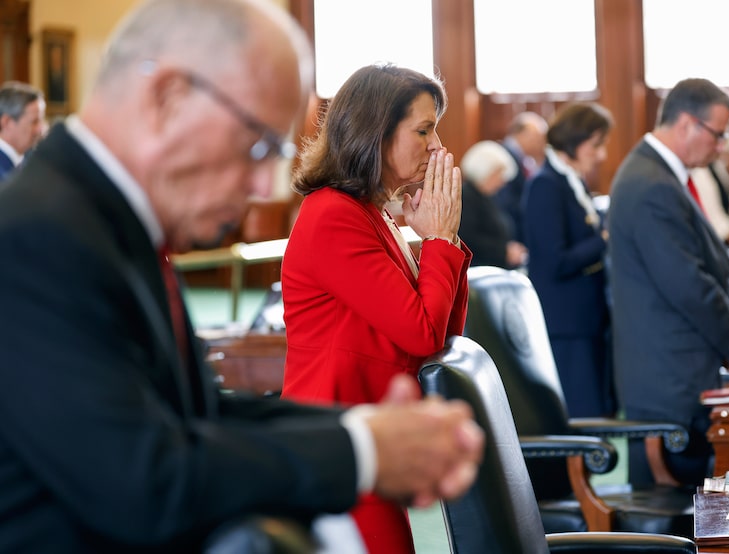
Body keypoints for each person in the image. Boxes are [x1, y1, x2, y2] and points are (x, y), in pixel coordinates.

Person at [0, 1, 484, 552]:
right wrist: (363, 453)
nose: (263, 187)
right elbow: (142, 480)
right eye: (258, 144)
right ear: (169, 98)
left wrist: (365, 437)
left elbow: (195, 412)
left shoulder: (101, 219)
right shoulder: (38, 234)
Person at [280, 63, 472, 553]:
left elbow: (443, 336)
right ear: (375, 135)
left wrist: (440, 240)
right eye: (424, 130)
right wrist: (438, 241)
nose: (436, 146)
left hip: (372, 437)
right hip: (337, 444)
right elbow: (421, 331)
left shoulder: (376, 214)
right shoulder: (332, 215)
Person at [608, 78, 729, 487]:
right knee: (675, 531)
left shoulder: (659, 174)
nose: (722, 145)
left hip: (678, 372)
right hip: (668, 386)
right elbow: (689, 284)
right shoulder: (651, 183)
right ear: (688, 123)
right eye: (719, 133)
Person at [523, 102, 616, 418]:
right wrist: (603, 240)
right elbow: (555, 261)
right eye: (596, 144)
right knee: (580, 415)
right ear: (575, 140)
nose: (601, 155)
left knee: (594, 411)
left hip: (586, 318)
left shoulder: (570, 180)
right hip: (567, 322)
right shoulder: (545, 185)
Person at [458, 139, 527, 268]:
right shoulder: (466, 196)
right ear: (485, 171)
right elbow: (468, 240)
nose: (502, 181)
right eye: (499, 175)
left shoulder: (488, 196)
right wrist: (504, 252)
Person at [494, 111, 549, 243]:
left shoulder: (521, 158)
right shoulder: (504, 156)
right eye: (537, 137)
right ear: (523, 134)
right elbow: (504, 201)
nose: (540, 143)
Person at [688, 150, 729, 246]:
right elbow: (708, 209)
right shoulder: (695, 171)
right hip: (716, 237)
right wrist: (728, 233)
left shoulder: (718, 165)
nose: (720, 147)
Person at [0, 80, 46, 180]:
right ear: (7, 122)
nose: (40, 129)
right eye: (34, 122)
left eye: (41, 121)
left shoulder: (31, 159)